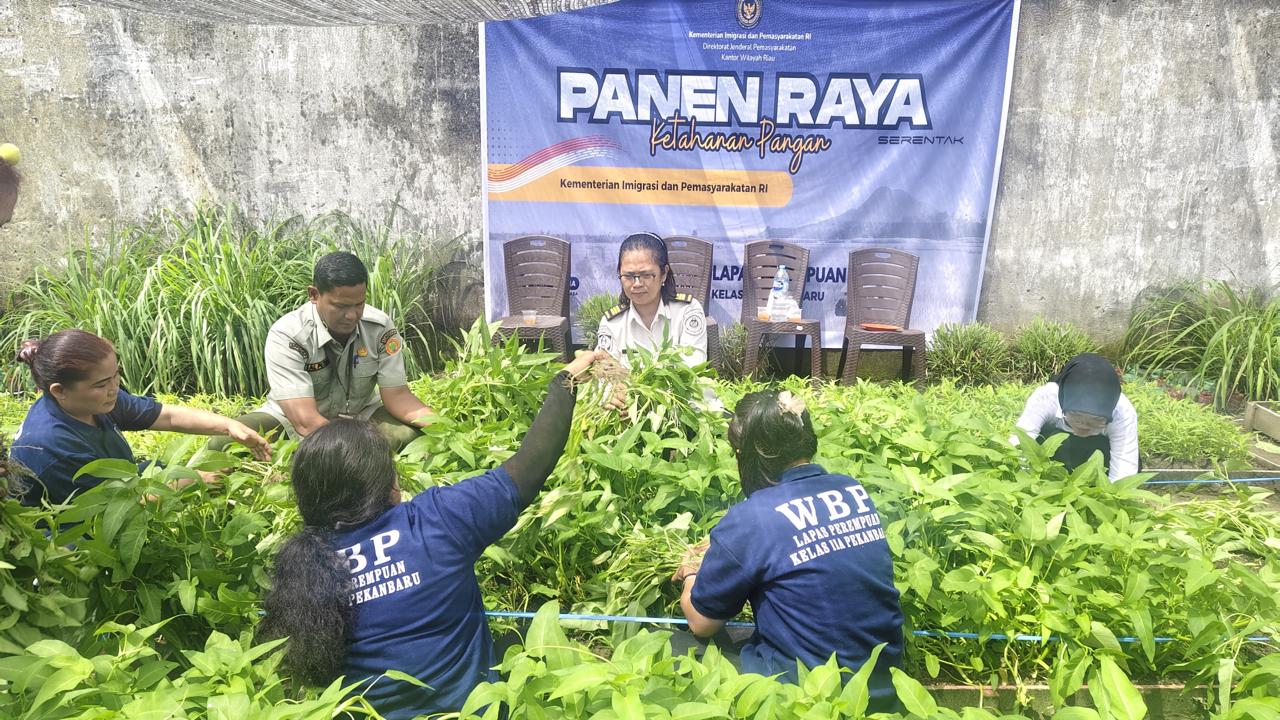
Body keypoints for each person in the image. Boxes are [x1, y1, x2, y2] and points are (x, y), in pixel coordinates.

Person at [259, 350, 605, 719]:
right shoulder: (438, 520)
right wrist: (565, 382)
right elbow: (529, 466)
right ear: (387, 484)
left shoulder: (304, 565)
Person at [674, 389, 903, 711]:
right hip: (880, 688)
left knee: (676, 644)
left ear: (749, 454)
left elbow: (702, 623)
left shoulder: (750, 518)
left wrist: (691, 572)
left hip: (809, 698)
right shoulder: (852, 489)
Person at [10, 330, 271, 507]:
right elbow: (113, 508)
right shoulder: (50, 445)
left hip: (125, 481)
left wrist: (229, 426)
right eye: (102, 383)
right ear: (59, 391)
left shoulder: (94, 400)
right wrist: (196, 480)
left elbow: (167, 416)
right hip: (70, 530)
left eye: (116, 375)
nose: (115, 387)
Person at [210, 251, 434, 454]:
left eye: (359, 304)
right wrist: (358, 450)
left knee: (410, 435)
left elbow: (398, 396)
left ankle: (322, 458)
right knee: (223, 443)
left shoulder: (379, 327)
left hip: (361, 415)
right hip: (291, 423)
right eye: (340, 306)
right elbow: (305, 422)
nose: (352, 315)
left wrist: (444, 427)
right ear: (314, 294)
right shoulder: (288, 335)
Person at [1011, 353, 1138, 481]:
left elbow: (1124, 469)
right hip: (1056, 456)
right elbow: (1021, 442)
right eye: (1077, 416)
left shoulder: (1122, 412)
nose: (1084, 425)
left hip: (1099, 454)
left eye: (1096, 420)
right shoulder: (1046, 398)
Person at [595, 232, 708, 369]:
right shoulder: (612, 323)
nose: (637, 283)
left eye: (646, 275)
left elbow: (693, 367)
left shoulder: (687, 311)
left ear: (664, 273)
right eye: (628, 276)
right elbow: (605, 375)